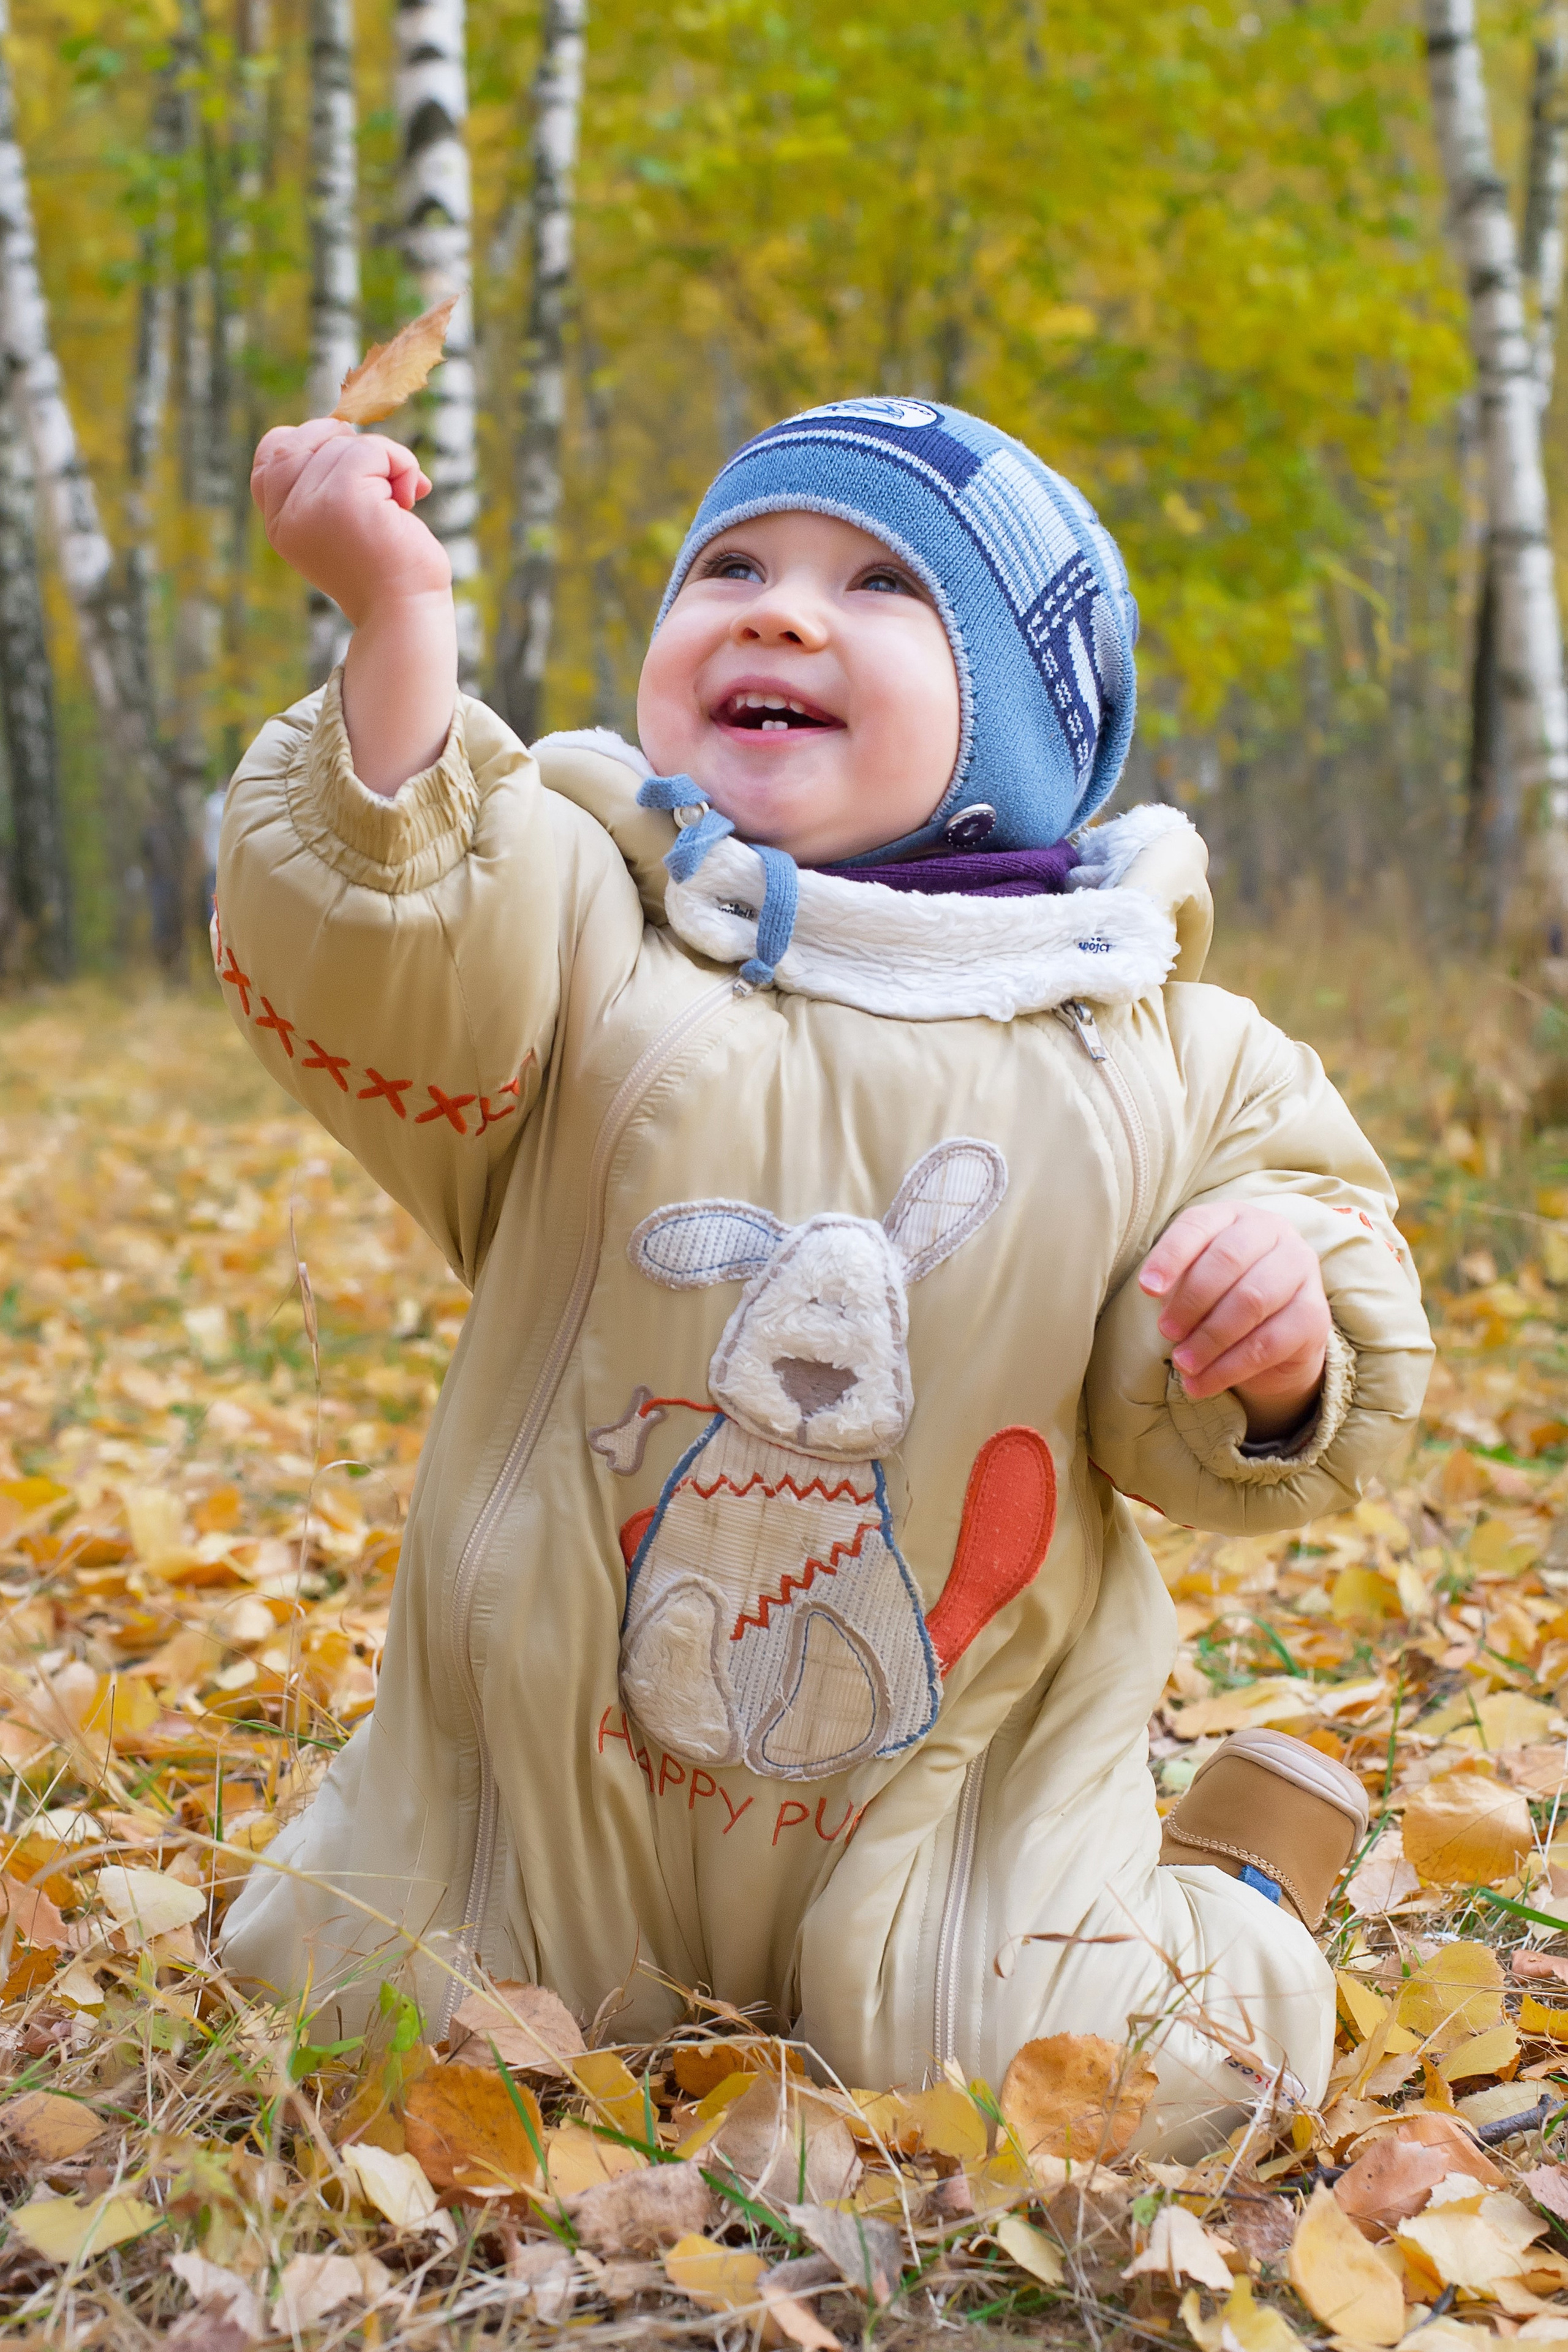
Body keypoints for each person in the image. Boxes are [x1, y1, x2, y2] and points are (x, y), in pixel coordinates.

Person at [218, 396, 1431, 2152]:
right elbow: (397, 939)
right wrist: (396, 621)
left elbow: (1277, 1337)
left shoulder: (1168, 1050)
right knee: (348, 2021)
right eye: (732, 565)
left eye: (880, 585)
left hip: (953, 1821)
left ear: (1023, 723)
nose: (782, 608)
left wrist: (1274, 1344)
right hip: (544, 1807)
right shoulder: (587, 924)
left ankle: (1239, 1881)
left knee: (1122, 2087)